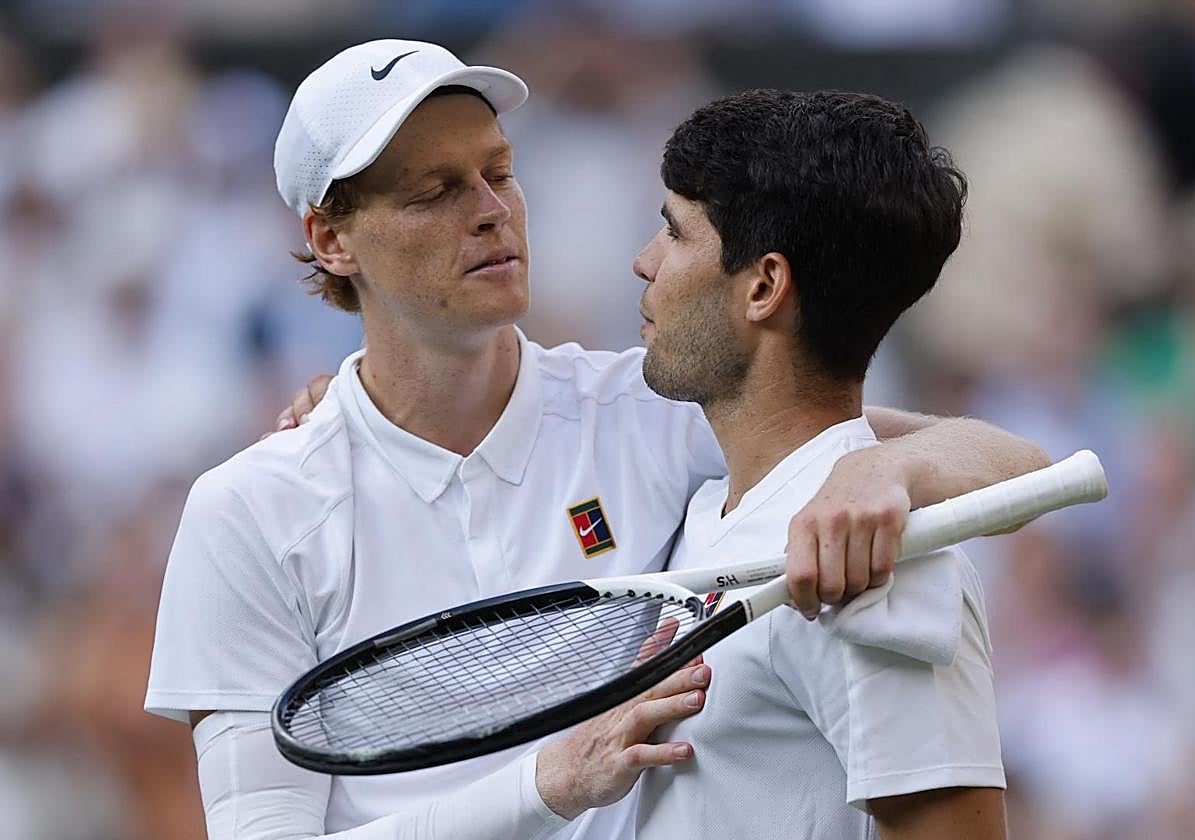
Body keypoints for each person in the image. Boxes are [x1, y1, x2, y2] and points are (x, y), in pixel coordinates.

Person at [145, 40, 1044, 839]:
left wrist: (891, 465)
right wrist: (545, 787)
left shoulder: (654, 406)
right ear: (331, 239)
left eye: (500, 171)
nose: (493, 210)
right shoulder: (248, 511)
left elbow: (1006, 464)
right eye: (437, 191)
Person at [631, 89, 1006, 838]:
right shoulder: (715, 501)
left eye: (673, 235)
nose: (644, 263)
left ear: (764, 286)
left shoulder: (876, 569)